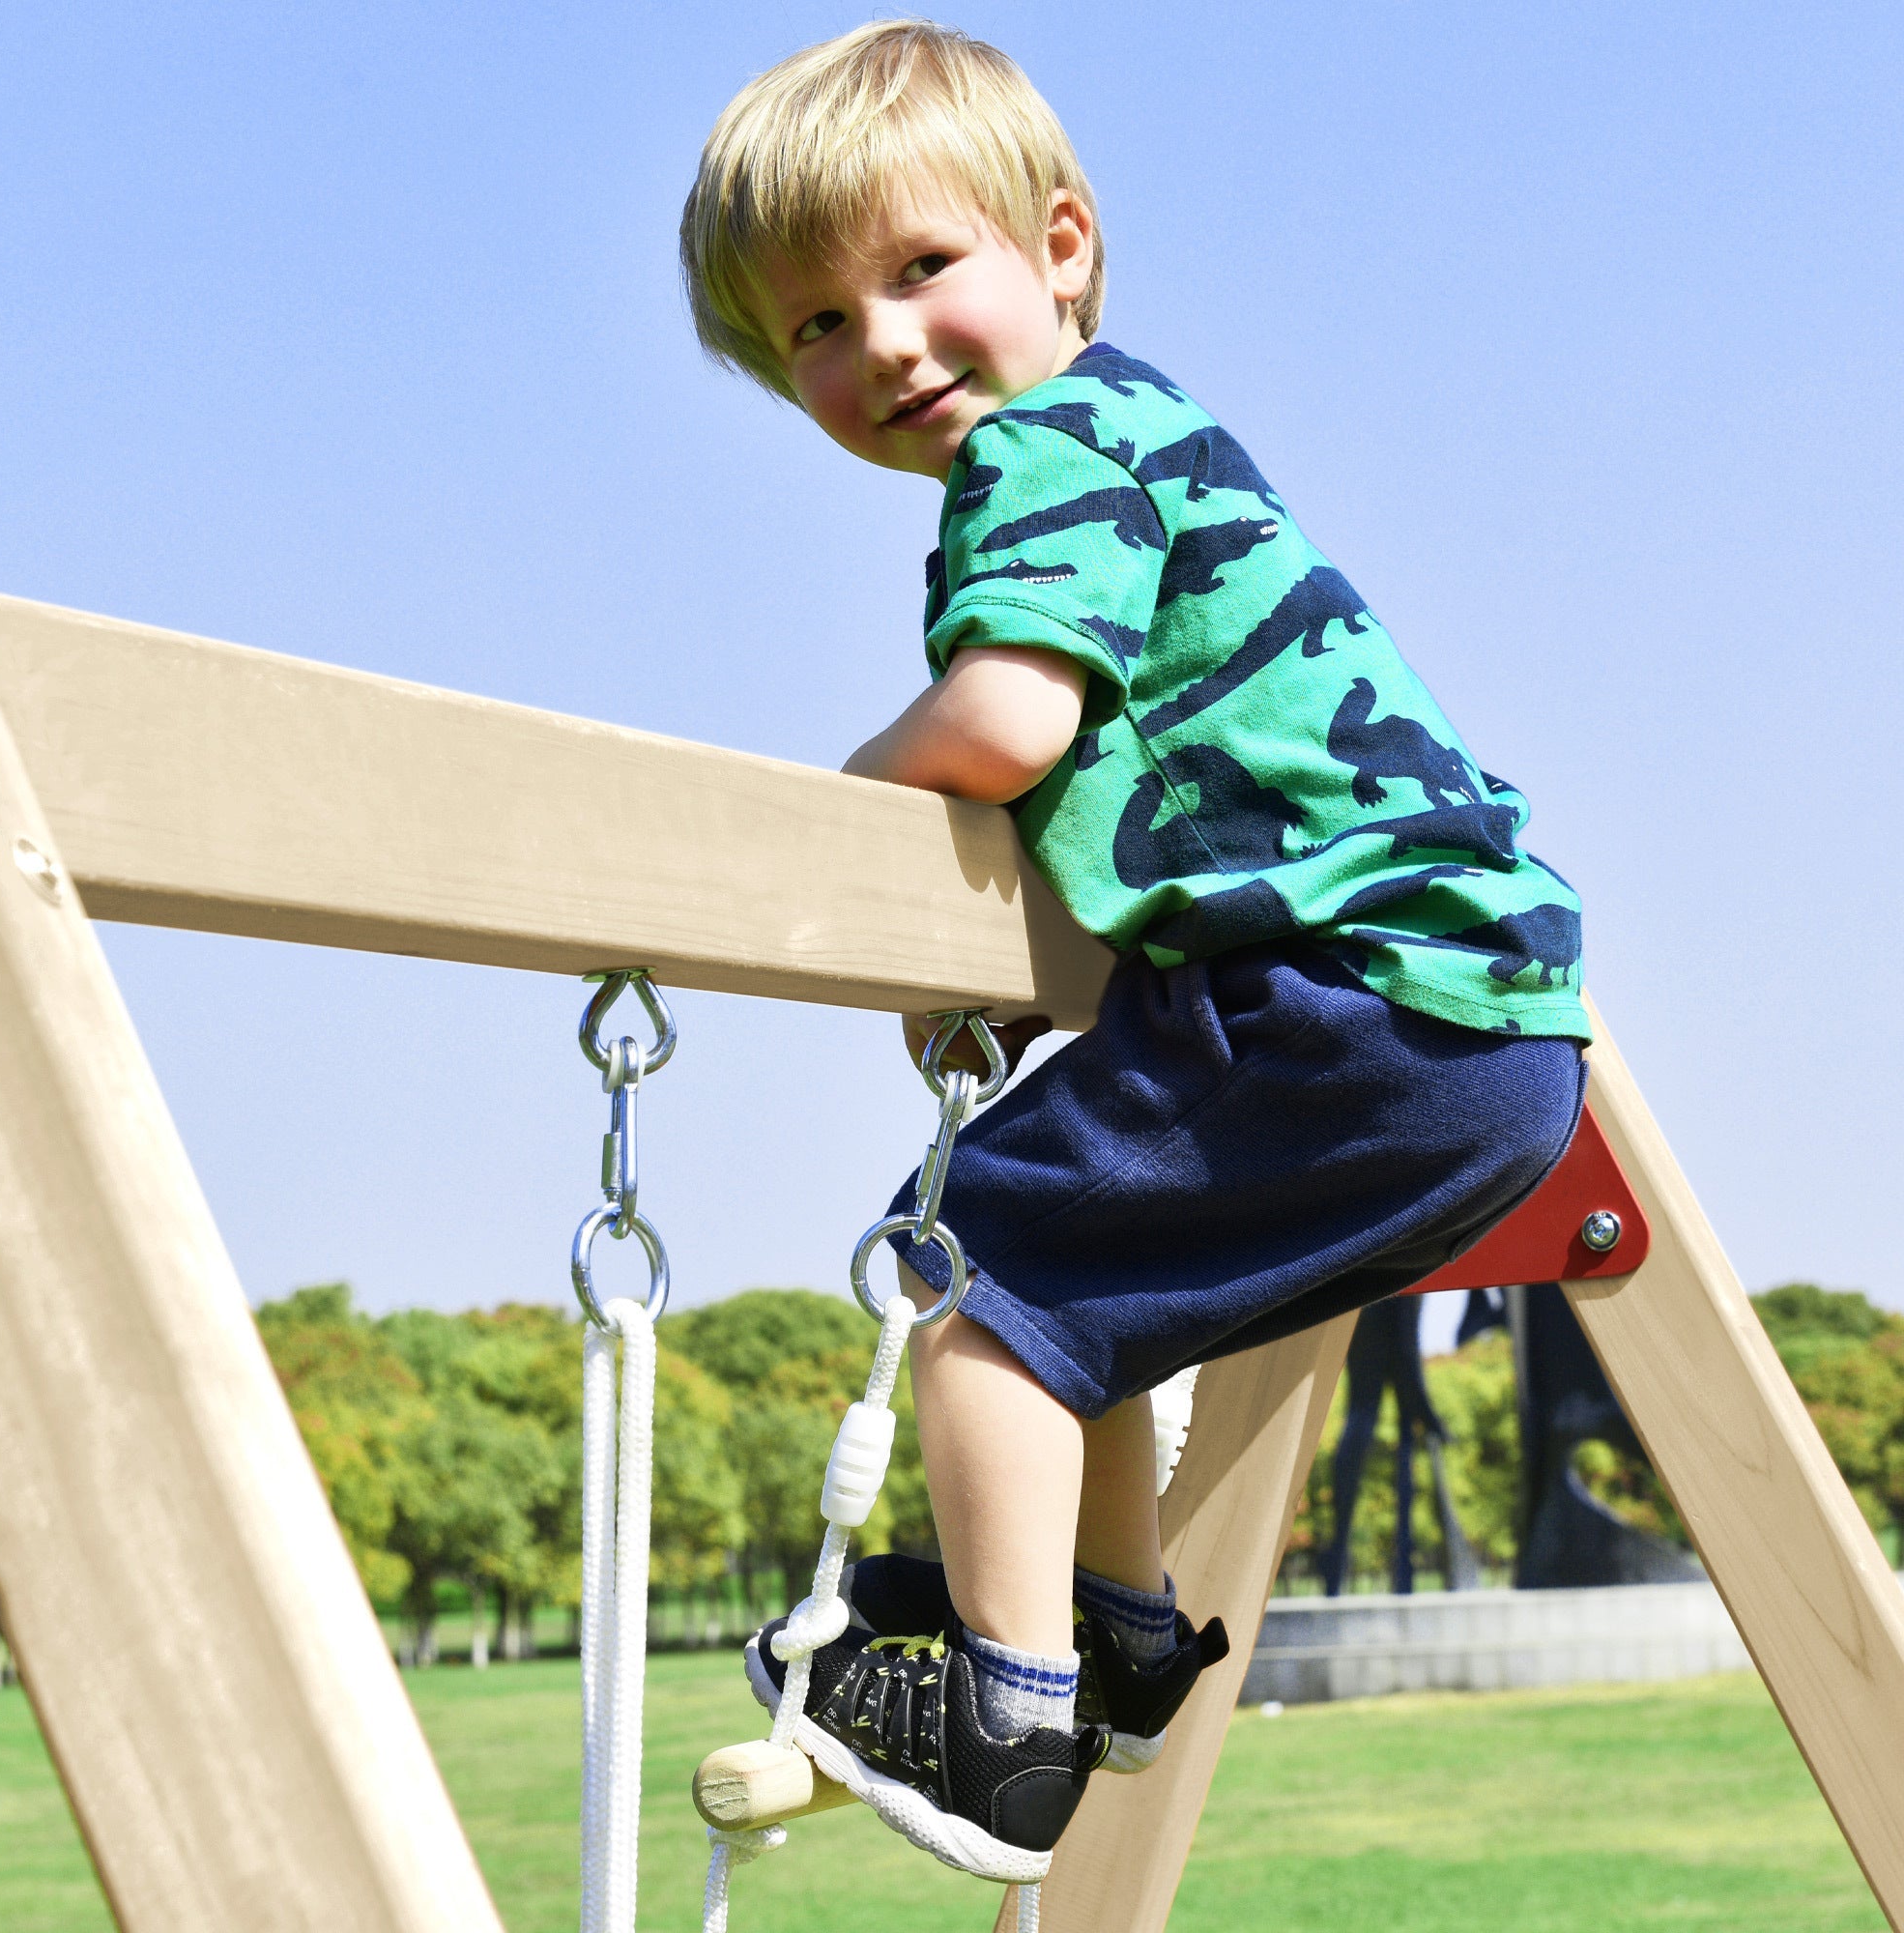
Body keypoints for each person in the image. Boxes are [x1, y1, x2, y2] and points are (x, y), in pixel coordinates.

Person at [679, 18, 1591, 1884]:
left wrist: (829, 823)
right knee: (1079, 1304)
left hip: (1356, 1008)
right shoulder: (1155, 434)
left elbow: (1004, 726)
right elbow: (1125, 793)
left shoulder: (1045, 453)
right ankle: (1115, 1626)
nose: (885, 346)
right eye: (817, 328)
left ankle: (1007, 1720)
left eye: (921, 269)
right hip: (1479, 1030)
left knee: (963, 1281)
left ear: (1062, 248)